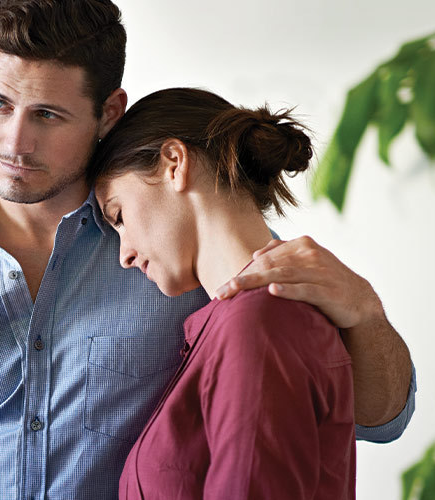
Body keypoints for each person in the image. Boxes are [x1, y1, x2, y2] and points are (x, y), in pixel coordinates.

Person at [0, 1, 416, 498]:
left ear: (108, 112)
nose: (14, 140)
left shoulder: (180, 249)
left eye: (46, 114)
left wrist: (365, 314)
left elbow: (374, 418)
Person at [91, 88, 355, 499]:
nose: (124, 254)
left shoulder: (258, 325)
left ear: (174, 164)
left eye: (119, 215)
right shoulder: (236, 322)